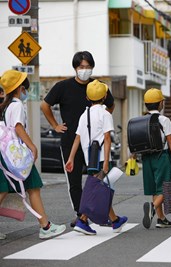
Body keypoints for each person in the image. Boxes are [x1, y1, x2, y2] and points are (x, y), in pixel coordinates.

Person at [41, 51, 114, 227]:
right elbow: (45, 105)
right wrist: (55, 125)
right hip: (70, 141)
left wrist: (101, 121)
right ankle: (81, 214)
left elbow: (110, 105)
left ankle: (94, 214)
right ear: (75, 68)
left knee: (98, 179)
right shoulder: (63, 86)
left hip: (94, 144)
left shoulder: (99, 87)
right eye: (81, 67)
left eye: (88, 67)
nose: (85, 70)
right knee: (74, 182)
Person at [0, 69, 66, 239]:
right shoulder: (16, 106)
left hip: (8, 155)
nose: (26, 91)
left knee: (11, 189)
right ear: (19, 88)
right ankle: (45, 227)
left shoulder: (7, 106)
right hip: (18, 157)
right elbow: (18, 127)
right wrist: (32, 146)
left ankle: (45, 226)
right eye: (25, 88)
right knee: (32, 187)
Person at [65, 80, 127, 235]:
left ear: (87, 97)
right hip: (100, 158)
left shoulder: (84, 115)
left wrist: (71, 158)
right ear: (105, 96)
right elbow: (107, 139)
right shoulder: (105, 114)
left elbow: (77, 138)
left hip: (89, 158)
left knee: (100, 189)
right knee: (98, 190)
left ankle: (114, 220)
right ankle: (83, 220)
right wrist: (106, 161)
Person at [141, 89, 171, 229]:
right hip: (161, 156)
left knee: (155, 189)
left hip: (146, 157)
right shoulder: (163, 120)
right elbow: (170, 140)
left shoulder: (141, 119)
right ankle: (153, 207)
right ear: (160, 104)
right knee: (166, 186)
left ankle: (161, 218)